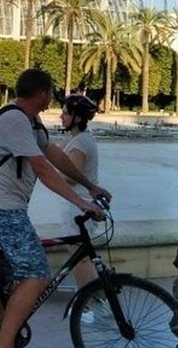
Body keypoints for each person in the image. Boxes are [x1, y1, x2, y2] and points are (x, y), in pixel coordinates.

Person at [0, 69, 110, 348]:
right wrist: (82, 202)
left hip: (7, 207)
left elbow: (53, 154)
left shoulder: (31, 121)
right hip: (2, 208)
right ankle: (3, 342)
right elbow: (43, 169)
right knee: (36, 273)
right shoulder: (14, 119)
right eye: (50, 92)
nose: (52, 99)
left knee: (3, 278)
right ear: (41, 93)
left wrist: (90, 186)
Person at [57, 94, 101, 290]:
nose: (61, 117)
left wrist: (49, 174)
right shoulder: (82, 139)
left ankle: (90, 304)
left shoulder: (79, 143)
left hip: (78, 207)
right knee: (84, 257)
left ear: (78, 118)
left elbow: (71, 175)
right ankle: (95, 298)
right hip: (83, 204)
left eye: (66, 113)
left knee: (80, 259)